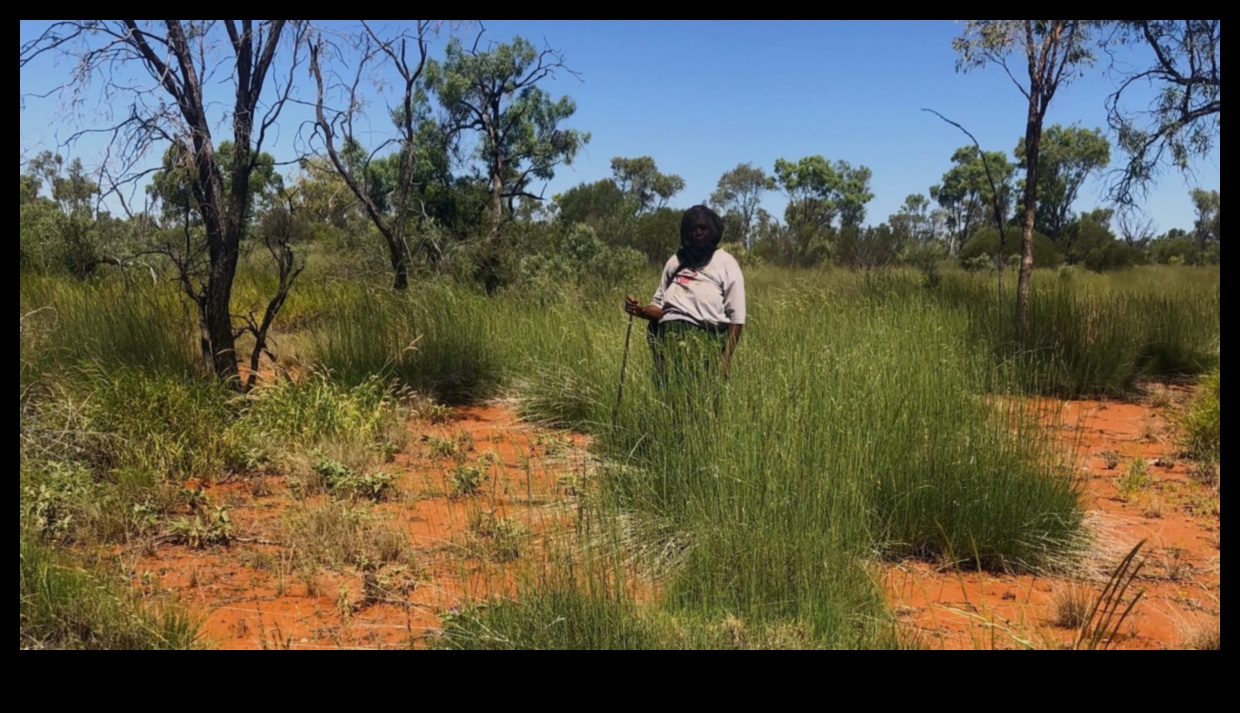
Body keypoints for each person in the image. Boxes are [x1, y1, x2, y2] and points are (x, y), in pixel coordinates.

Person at [624, 205, 745, 394]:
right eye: (692, 229)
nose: (697, 233)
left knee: (700, 397)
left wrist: (725, 360)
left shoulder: (726, 263)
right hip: (667, 338)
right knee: (668, 394)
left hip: (705, 340)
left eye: (703, 228)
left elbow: (737, 318)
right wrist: (640, 310)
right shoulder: (676, 261)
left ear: (713, 232)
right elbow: (659, 307)